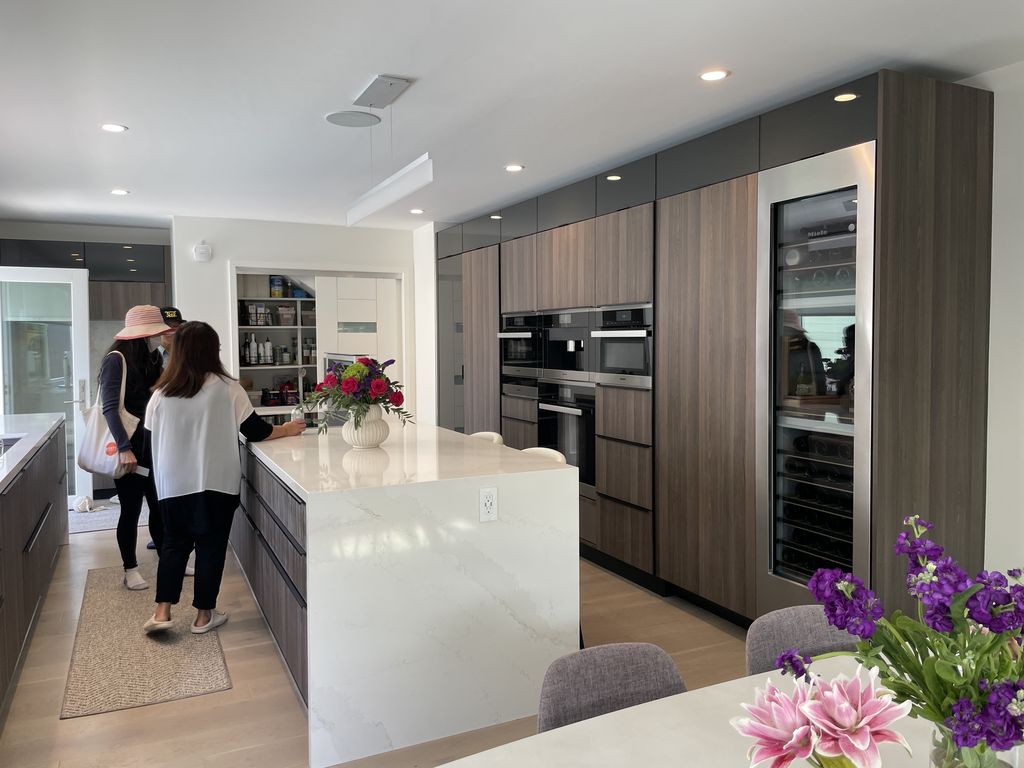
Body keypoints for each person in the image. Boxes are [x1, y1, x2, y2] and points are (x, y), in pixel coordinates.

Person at [142, 321, 304, 634]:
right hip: (217, 483)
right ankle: (204, 616)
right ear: (212, 351)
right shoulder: (228, 388)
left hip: (173, 486)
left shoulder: (161, 395)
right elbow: (255, 431)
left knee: (174, 546)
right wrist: (286, 429)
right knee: (211, 548)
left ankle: (162, 612)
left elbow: (149, 448)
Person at [99, 305, 171, 591]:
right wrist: (124, 448)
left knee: (159, 506)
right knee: (130, 510)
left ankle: (169, 559)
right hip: (129, 448)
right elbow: (109, 409)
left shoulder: (151, 359)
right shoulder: (115, 360)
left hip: (153, 445)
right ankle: (130, 568)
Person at [146, 306, 185, 551]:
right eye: (167, 327)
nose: (171, 331)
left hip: (184, 429)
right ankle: (161, 536)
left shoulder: (190, 359)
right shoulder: (149, 360)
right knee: (156, 490)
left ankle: (176, 536)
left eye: (176, 327)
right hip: (157, 429)